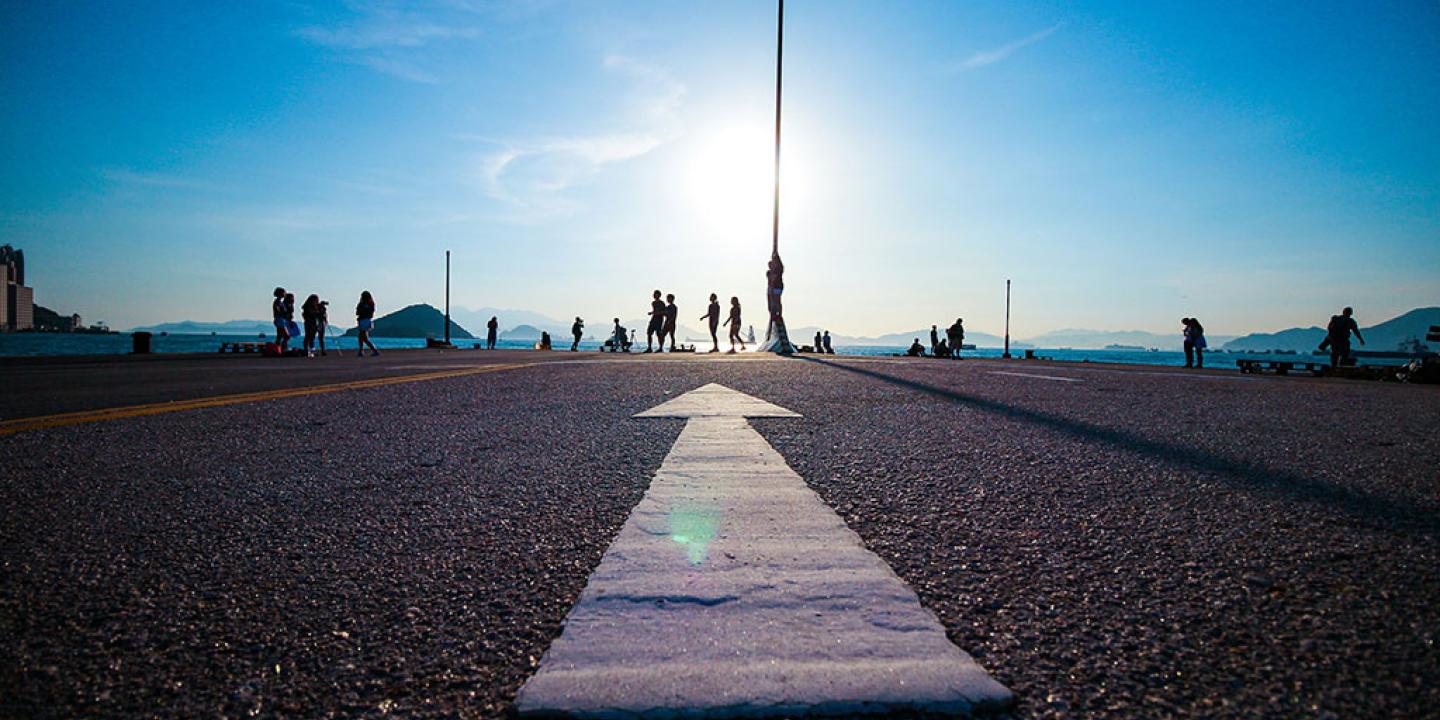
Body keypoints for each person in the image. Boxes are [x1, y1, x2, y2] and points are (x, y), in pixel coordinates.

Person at [355, 290, 379, 356]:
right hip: (367, 321)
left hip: (363, 321)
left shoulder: (361, 304)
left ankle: (372, 350)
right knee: (362, 336)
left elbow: (357, 312)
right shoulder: (371, 304)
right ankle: (361, 351)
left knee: (363, 337)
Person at [272, 287, 290, 351]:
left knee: (280, 336)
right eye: (283, 292)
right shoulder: (277, 302)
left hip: (281, 319)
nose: (284, 294)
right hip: (279, 319)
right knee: (286, 335)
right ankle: (282, 348)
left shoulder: (280, 302)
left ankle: (278, 349)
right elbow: (277, 310)